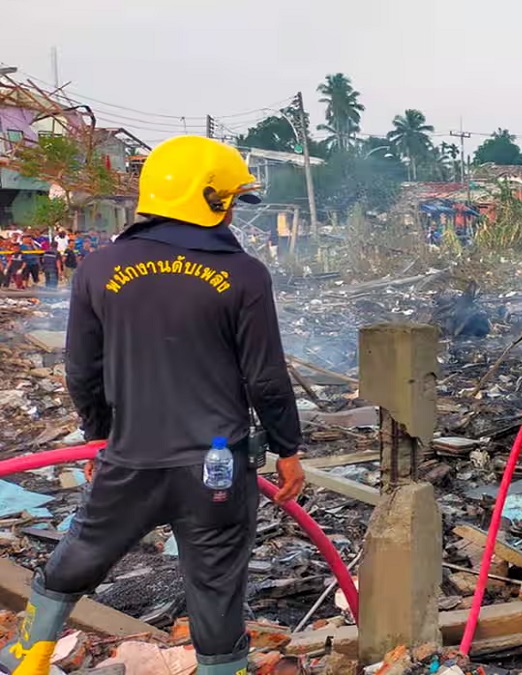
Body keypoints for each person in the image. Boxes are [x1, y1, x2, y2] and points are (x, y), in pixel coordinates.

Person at [0, 136, 307, 675]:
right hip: (216, 467)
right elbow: (266, 377)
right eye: (231, 199)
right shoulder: (244, 274)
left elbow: (82, 370)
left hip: (130, 459)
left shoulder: (99, 267)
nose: (233, 211)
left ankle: (29, 656)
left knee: (81, 553)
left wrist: (98, 436)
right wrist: (287, 449)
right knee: (215, 588)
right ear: (209, 199)